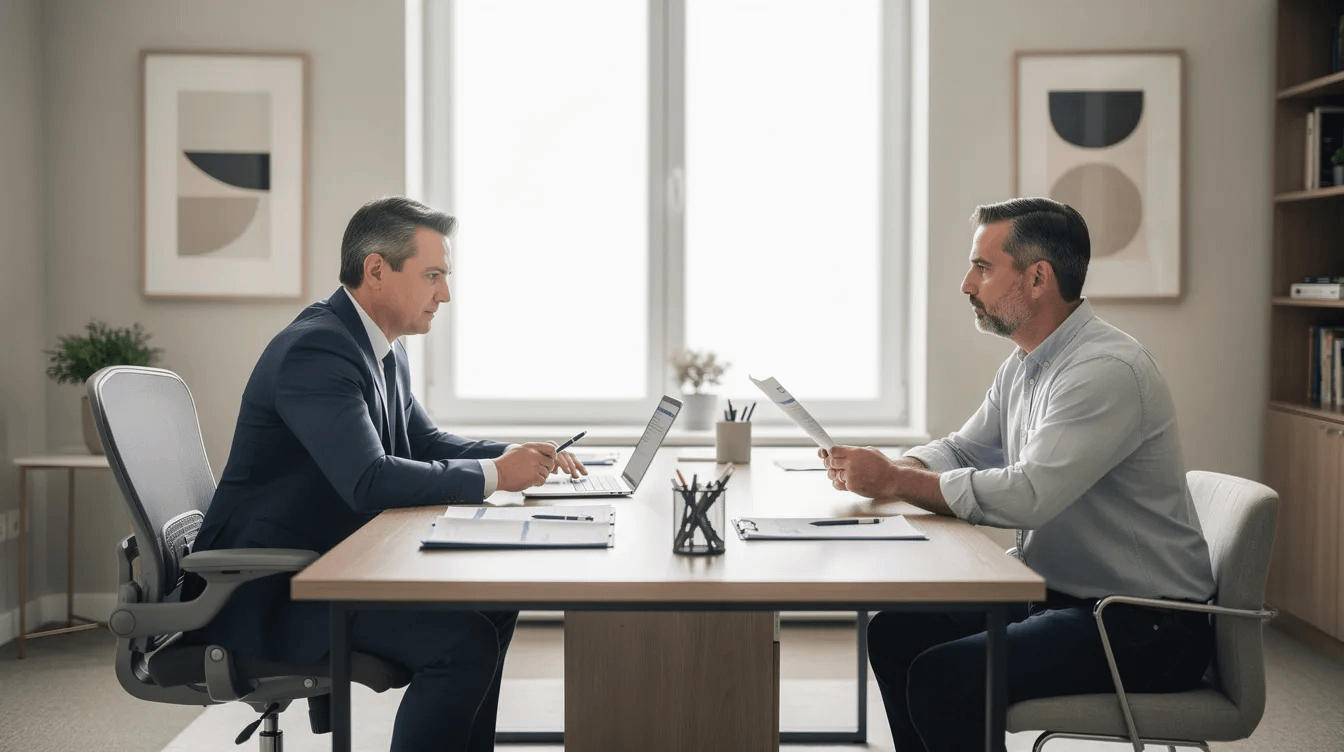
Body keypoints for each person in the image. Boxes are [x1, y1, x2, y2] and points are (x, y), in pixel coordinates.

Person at [185, 196, 586, 751]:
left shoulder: (379, 347)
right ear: (377, 270)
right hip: (271, 592)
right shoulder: (317, 349)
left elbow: (425, 442)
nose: (444, 294)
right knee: (462, 641)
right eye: (432, 275)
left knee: (492, 605)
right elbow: (369, 479)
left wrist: (519, 455)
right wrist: (495, 474)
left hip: (328, 565)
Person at [822, 197, 1216, 751]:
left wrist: (893, 481)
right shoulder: (1027, 364)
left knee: (946, 678)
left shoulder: (1104, 371)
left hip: (1140, 625)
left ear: (1037, 278)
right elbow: (963, 449)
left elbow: (1028, 496)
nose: (966, 284)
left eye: (982, 267)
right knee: (895, 633)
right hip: (1059, 597)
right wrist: (900, 467)